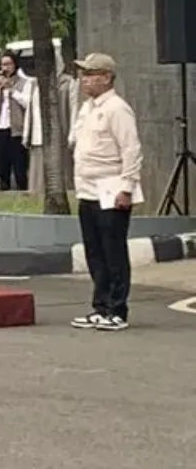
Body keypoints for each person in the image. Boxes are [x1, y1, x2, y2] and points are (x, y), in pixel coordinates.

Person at [69, 53, 142, 332]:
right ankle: (100, 306)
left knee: (113, 250)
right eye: (83, 75)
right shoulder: (88, 108)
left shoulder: (117, 108)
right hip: (87, 189)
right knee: (95, 251)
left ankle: (117, 309)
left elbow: (131, 150)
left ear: (108, 78)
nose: (85, 80)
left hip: (111, 186)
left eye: (91, 74)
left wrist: (127, 188)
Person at [0, 51, 30, 190]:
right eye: (3, 64)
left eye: (8, 64)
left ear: (15, 65)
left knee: (19, 167)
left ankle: (22, 192)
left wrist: (11, 90)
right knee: (2, 167)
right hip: (0, 129)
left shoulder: (24, 82)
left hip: (16, 130)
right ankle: (4, 190)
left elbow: (26, 102)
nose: (5, 67)